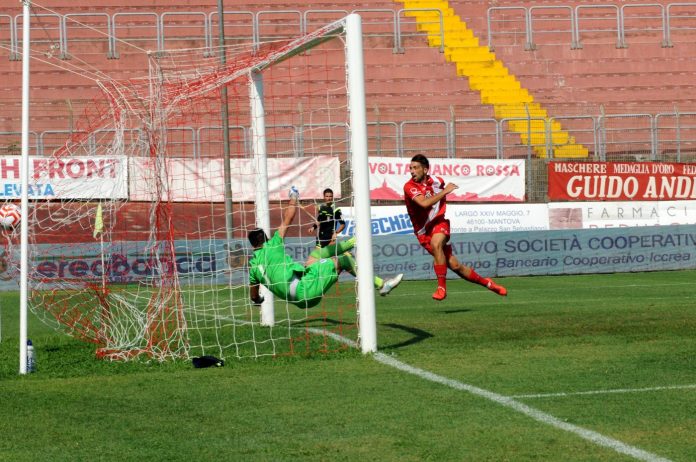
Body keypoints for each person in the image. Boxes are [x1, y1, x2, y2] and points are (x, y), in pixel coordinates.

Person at [249, 187, 403, 308]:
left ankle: (354, 241)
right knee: (344, 260)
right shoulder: (273, 244)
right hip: (306, 290)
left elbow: (254, 296)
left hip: (297, 298)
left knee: (314, 257)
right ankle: (382, 285)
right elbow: (288, 218)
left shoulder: (253, 267)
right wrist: (293, 197)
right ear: (265, 238)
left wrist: (257, 300)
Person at [403, 154, 507, 301]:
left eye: (415, 168)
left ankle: (441, 288)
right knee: (455, 265)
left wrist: (443, 194)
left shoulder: (437, 181)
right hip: (423, 232)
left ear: (425, 170)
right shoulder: (409, 186)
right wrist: (446, 191)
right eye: (410, 168)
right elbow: (424, 203)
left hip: (439, 222)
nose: (412, 171)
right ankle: (489, 283)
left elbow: (437, 198)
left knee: (436, 243)